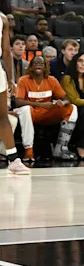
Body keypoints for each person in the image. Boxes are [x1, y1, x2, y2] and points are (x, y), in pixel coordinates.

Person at [14, 56, 78, 160]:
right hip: (30, 113)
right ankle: (28, 150)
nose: (38, 64)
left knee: (72, 108)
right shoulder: (23, 80)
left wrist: (62, 102)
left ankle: (61, 148)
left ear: (45, 67)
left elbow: (67, 98)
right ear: (31, 66)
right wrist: (42, 105)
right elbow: (18, 102)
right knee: (26, 109)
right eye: (35, 62)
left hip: (46, 113)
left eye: (41, 63)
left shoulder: (51, 80)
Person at [0, 10, 30, 173]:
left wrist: (11, 78)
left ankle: (13, 159)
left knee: (2, 116)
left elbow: (6, 51)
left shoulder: (2, 18)